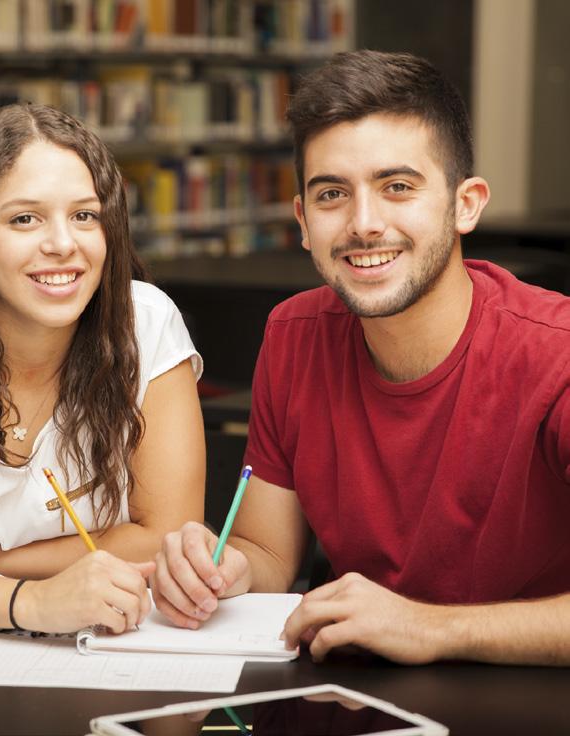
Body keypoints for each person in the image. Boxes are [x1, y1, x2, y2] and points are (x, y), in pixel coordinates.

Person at [151, 50, 570, 666]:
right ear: (302, 221)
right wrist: (221, 573)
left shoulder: (555, 353)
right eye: (331, 194)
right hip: (358, 697)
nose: (364, 224)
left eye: (397, 187)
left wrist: (430, 629)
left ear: (466, 204)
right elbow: (268, 554)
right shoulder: (294, 335)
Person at [0, 103, 205, 634]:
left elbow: (166, 537)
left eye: (84, 216)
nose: (62, 245)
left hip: (107, 651)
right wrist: (28, 602)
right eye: (25, 218)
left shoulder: (147, 323)